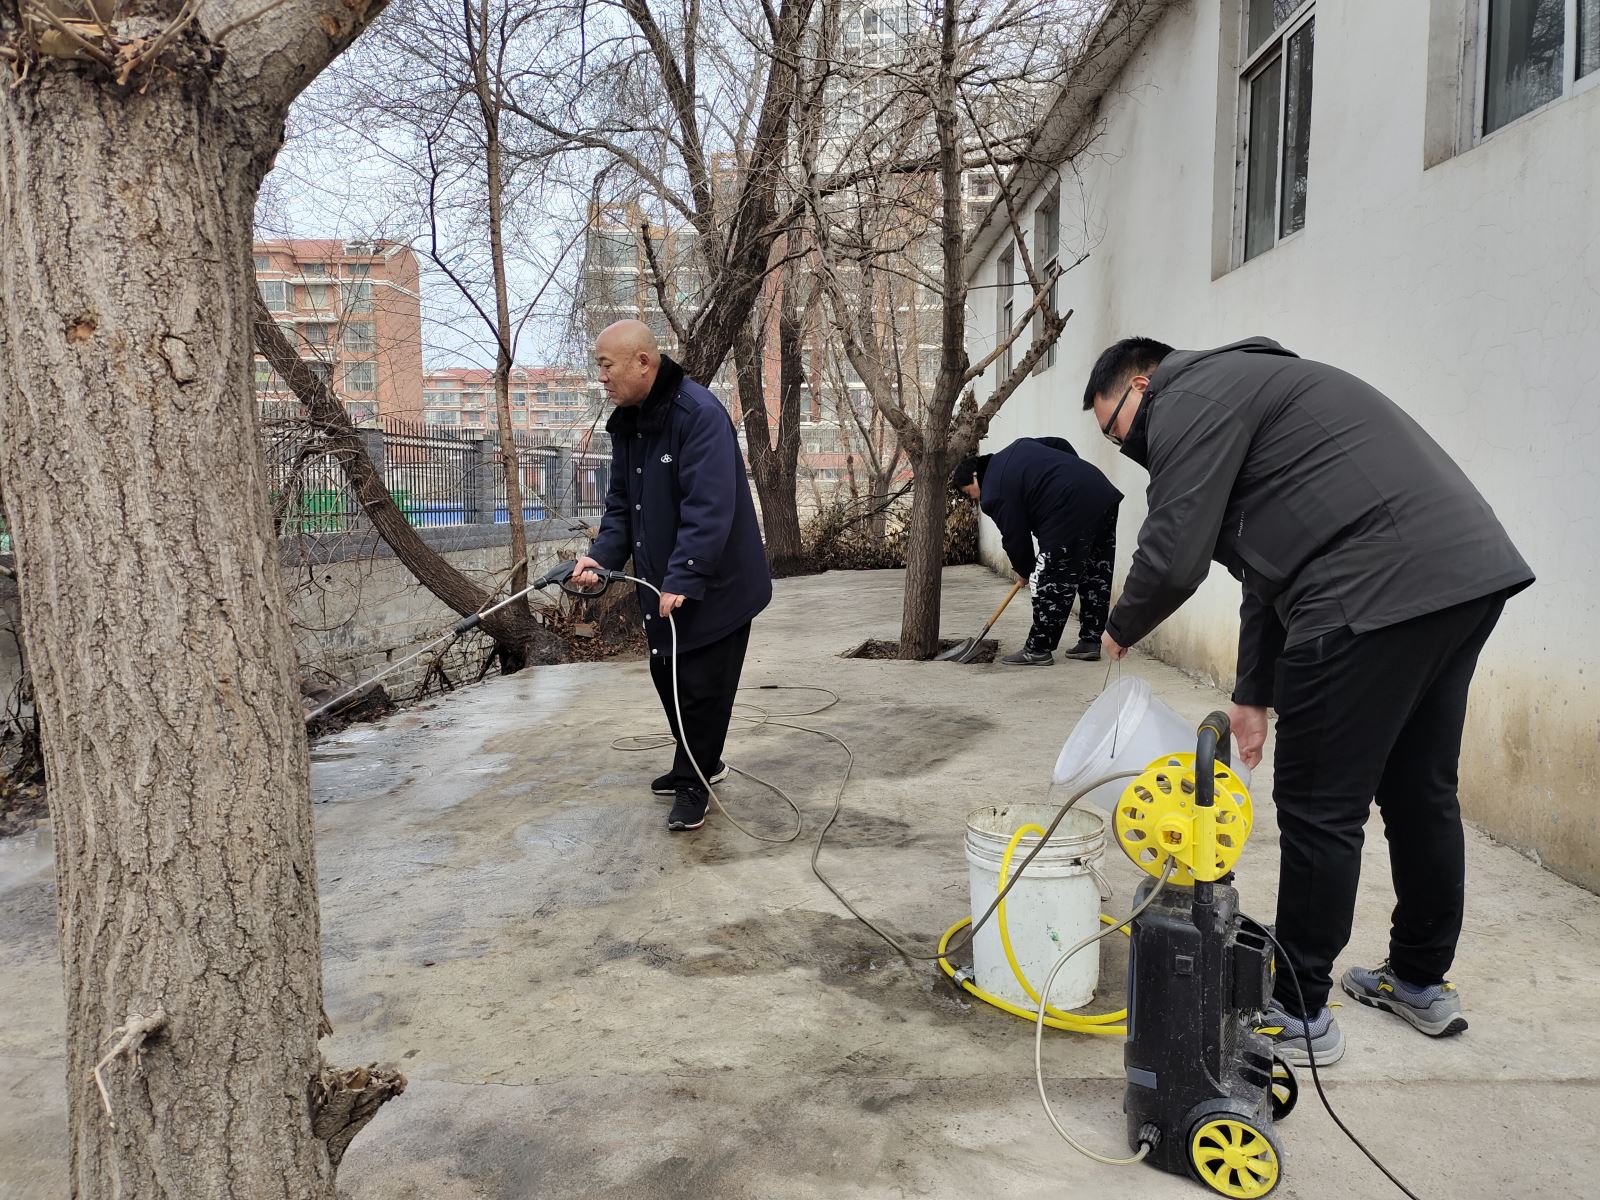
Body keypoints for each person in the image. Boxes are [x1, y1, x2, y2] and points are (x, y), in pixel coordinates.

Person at [1084, 336, 1533, 1066]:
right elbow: (1266, 574)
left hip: (1368, 585)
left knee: (1320, 805)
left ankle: (1297, 1013)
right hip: (1460, 577)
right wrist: (1252, 696)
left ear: (1143, 380)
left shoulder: (1190, 396)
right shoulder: (1250, 390)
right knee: (1420, 791)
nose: (1127, 444)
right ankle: (1420, 982)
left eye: (1118, 427)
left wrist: (1118, 624)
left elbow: (1174, 552)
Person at [573, 321, 771, 833]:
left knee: (702, 687)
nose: (601, 376)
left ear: (643, 362)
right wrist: (600, 558)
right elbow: (622, 506)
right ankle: (700, 763)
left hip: (717, 583)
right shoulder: (629, 422)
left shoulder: (698, 415)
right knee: (669, 676)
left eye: (606, 365)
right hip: (663, 586)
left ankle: (695, 784)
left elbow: (709, 507)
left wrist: (683, 575)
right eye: (598, 365)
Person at [950, 436, 1121, 665]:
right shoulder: (1019, 446)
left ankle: (1038, 649)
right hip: (1100, 493)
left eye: (968, 491)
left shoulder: (993, 490)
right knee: (1095, 571)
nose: (972, 497)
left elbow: (1014, 536)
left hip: (1068, 508)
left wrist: (1025, 570)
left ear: (974, 476)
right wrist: (1069, 478)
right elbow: (1060, 444)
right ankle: (1090, 641)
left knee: (1047, 579)